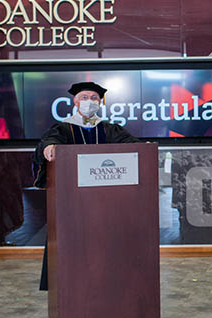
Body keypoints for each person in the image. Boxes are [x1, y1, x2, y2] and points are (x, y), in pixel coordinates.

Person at [32, 82, 142, 291]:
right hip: (72, 203)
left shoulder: (110, 129)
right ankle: (70, 286)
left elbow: (130, 143)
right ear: (75, 101)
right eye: (84, 97)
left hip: (107, 204)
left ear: (100, 102)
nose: (89, 102)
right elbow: (49, 141)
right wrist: (49, 147)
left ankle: (107, 282)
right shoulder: (63, 128)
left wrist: (143, 147)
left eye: (94, 98)